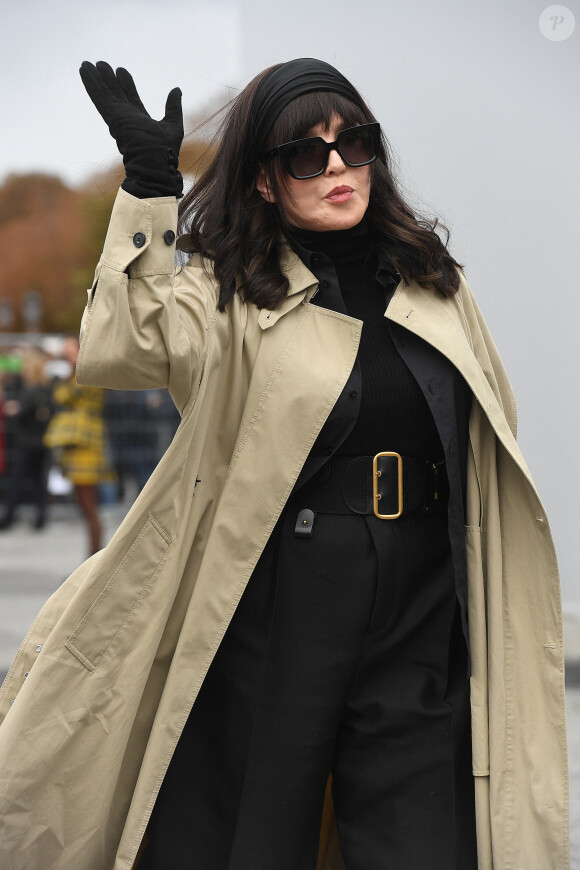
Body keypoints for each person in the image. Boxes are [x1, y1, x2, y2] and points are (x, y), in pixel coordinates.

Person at [0, 59, 568, 870]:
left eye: (354, 144)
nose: (337, 167)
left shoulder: (434, 284)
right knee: (251, 834)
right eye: (306, 154)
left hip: (422, 593)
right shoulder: (232, 291)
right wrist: (149, 188)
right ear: (265, 182)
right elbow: (121, 347)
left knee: (425, 836)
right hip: (285, 595)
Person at [43, 336, 111, 554]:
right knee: (85, 505)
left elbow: (67, 394)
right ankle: (91, 557)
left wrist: (72, 368)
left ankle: (94, 558)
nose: (67, 355)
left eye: (71, 350)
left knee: (89, 506)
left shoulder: (89, 374)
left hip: (86, 443)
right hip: (76, 444)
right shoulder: (73, 375)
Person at [0, 348, 54, 530]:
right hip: (42, 441)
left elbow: (21, 411)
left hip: (27, 442)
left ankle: (8, 517)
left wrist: (13, 409)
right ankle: (40, 516)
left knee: (17, 480)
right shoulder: (46, 388)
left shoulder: (30, 390)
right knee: (38, 480)